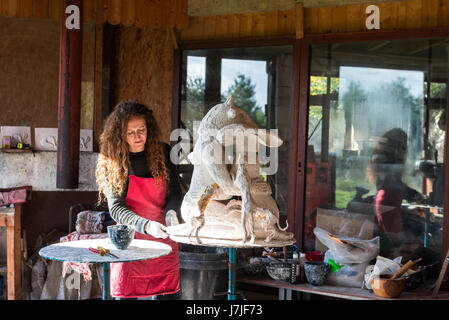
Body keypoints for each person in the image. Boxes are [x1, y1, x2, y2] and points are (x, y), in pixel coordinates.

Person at [96, 101, 183, 299]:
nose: (137, 137)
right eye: (130, 132)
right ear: (120, 135)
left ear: (148, 128)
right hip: (130, 241)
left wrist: (171, 212)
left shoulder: (163, 152)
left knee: (168, 294)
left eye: (141, 130)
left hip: (164, 238)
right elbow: (116, 208)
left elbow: (176, 192)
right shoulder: (115, 160)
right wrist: (145, 226)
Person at [367, 128, 424, 252]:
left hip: (389, 200)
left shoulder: (381, 157)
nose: (405, 150)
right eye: (403, 146)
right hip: (387, 200)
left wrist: (408, 208)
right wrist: (416, 196)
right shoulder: (387, 159)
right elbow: (393, 183)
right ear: (395, 146)